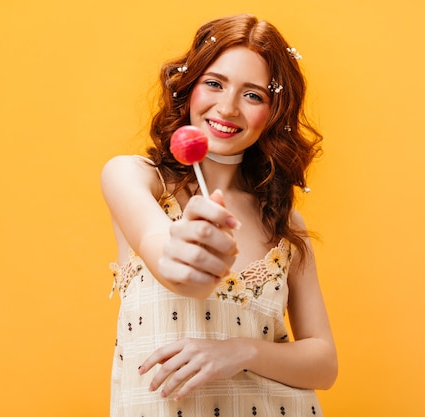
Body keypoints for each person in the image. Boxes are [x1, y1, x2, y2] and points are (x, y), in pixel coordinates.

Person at [101, 14, 337, 416]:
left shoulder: (284, 223)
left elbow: (324, 364)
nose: (227, 108)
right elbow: (169, 263)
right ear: (189, 87)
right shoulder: (134, 177)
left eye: (253, 95)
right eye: (214, 83)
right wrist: (186, 252)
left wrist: (239, 352)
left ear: (274, 111)